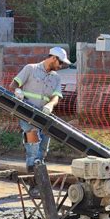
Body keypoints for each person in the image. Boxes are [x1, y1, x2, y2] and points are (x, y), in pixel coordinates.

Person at [9, 47, 70, 194]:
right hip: (28, 117)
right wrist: (17, 91)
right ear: (54, 58)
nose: (60, 66)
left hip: (44, 117)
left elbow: (56, 96)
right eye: (60, 63)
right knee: (33, 150)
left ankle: (38, 181)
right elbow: (14, 84)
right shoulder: (30, 69)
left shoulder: (56, 77)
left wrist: (50, 104)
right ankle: (34, 185)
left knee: (42, 151)